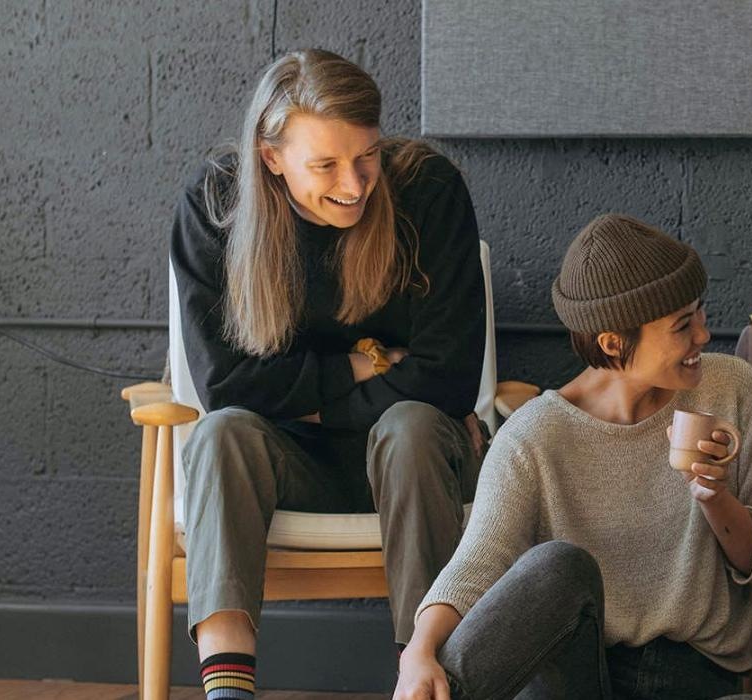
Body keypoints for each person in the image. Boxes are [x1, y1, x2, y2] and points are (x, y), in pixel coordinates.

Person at [171, 48, 487, 700]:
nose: (355, 181)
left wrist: (303, 397)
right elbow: (227, 386)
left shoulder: (427, 191)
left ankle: (421, 678)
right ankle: (227, 692)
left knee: (411, 428)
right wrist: (364, 364)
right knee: (221, 435)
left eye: (367, 155)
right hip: (289, 462)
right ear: (271, 157)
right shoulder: (215, 206)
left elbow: (449, 378)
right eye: (326, 164)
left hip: (418, 461)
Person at [392, 214, 752, 700]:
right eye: (681, 325)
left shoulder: (730, 387)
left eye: (700, 312)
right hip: (570, 679)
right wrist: (418, 650)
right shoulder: (533, 436)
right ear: (613, 342)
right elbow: (477, 566)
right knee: (557, 566)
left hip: (694, 677)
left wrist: (716, 498)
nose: (702, 335)